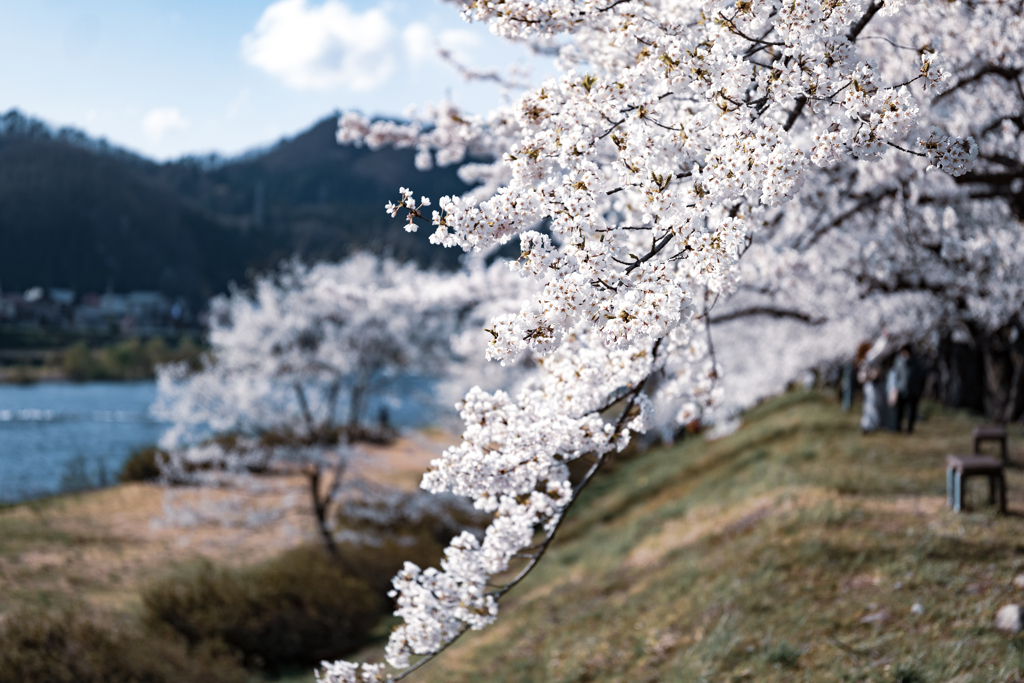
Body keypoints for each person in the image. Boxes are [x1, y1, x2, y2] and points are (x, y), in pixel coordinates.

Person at [893, 345, 925, 433]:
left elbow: (921, 377)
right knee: (899, 411)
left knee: (911, 411)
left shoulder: (917, 363)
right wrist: (895, 388)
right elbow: (895, 375)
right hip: (901, 390)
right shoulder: (899, 361)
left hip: (913, 391)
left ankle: (909, 429)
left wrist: (919, 388)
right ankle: (897, 428)